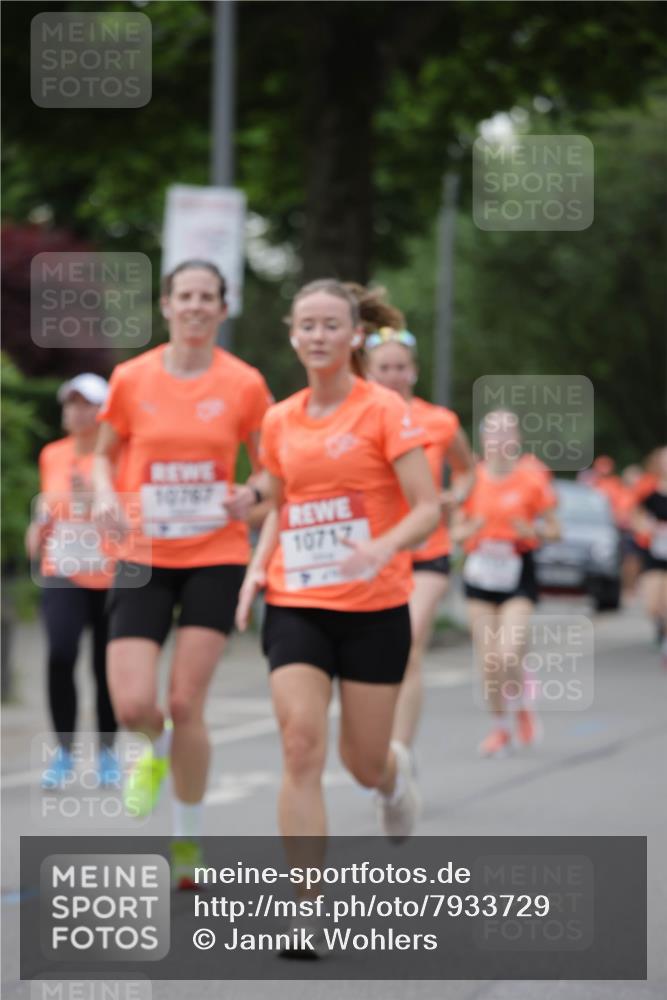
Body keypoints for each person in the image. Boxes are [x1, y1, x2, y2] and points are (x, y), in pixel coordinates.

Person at [235, 279, 439, 922]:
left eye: (331, 325)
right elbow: (282, 504)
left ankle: (391, 774)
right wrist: (254, 568)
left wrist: (382, 547)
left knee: (360, 762)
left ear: (355, 336)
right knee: (299, 744)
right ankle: (305, 906)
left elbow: (429, 509)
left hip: (375, 605)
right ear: (292, 336)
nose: (318, 336)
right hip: (297, 599)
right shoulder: (279, 419)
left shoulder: (383, 409)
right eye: (307, 326)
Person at [92, 260, 272, 887]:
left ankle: (187, 839)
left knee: (183, 701)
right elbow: (101, 457)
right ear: (166, 306)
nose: (196, 306)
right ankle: (153, 751)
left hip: (215, 554)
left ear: (223, 310)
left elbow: (273, 469)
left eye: (208, 298)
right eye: (185, 296)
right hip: (142, 552)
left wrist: (252, 493)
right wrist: (106, 496)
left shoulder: (245, 383)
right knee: (135, 702)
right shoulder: (131, 377)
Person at [363, 319, 475, 751]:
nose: (392, 375)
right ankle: (375, 740)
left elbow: (467, 469)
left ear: (414, 371)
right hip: (376, 553)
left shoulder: (439, 421)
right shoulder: (359, 420)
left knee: (407, 647)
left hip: (427, 551)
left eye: (399, 367)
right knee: (373, 655)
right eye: (383, 368)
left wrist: (454, 496)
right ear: (369, 373)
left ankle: (400, 751)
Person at [26, 374, 118, 789]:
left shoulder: (118, 455)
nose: (78, 412)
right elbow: (46, 511)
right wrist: (37, 530)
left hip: (113, 574)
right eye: (72, 404)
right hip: (63, 571)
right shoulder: (52, 455)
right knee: (60, 654)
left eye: (88, 405)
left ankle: (108, 754)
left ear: (105, 412)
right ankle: (64, 752)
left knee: (106, 667)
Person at [451, 410, 560, 757]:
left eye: (507, 433)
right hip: (480, 572)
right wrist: (469, 530)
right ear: (483, 440)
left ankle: (523, 703)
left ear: (517, 439)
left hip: (517, 571)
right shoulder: (470, 479)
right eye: (493, 434)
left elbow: (556, 530)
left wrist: (536, 532)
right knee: (489, 660)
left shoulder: (532, 478)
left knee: (508, 652)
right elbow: (454, 531)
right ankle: (500, 727)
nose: (501, 440)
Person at [631, 445, 667, 661]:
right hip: (655, 552)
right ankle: (661, 630)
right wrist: (644, 527)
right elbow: (635, 515)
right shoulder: (648, 488)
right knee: (652, 605)